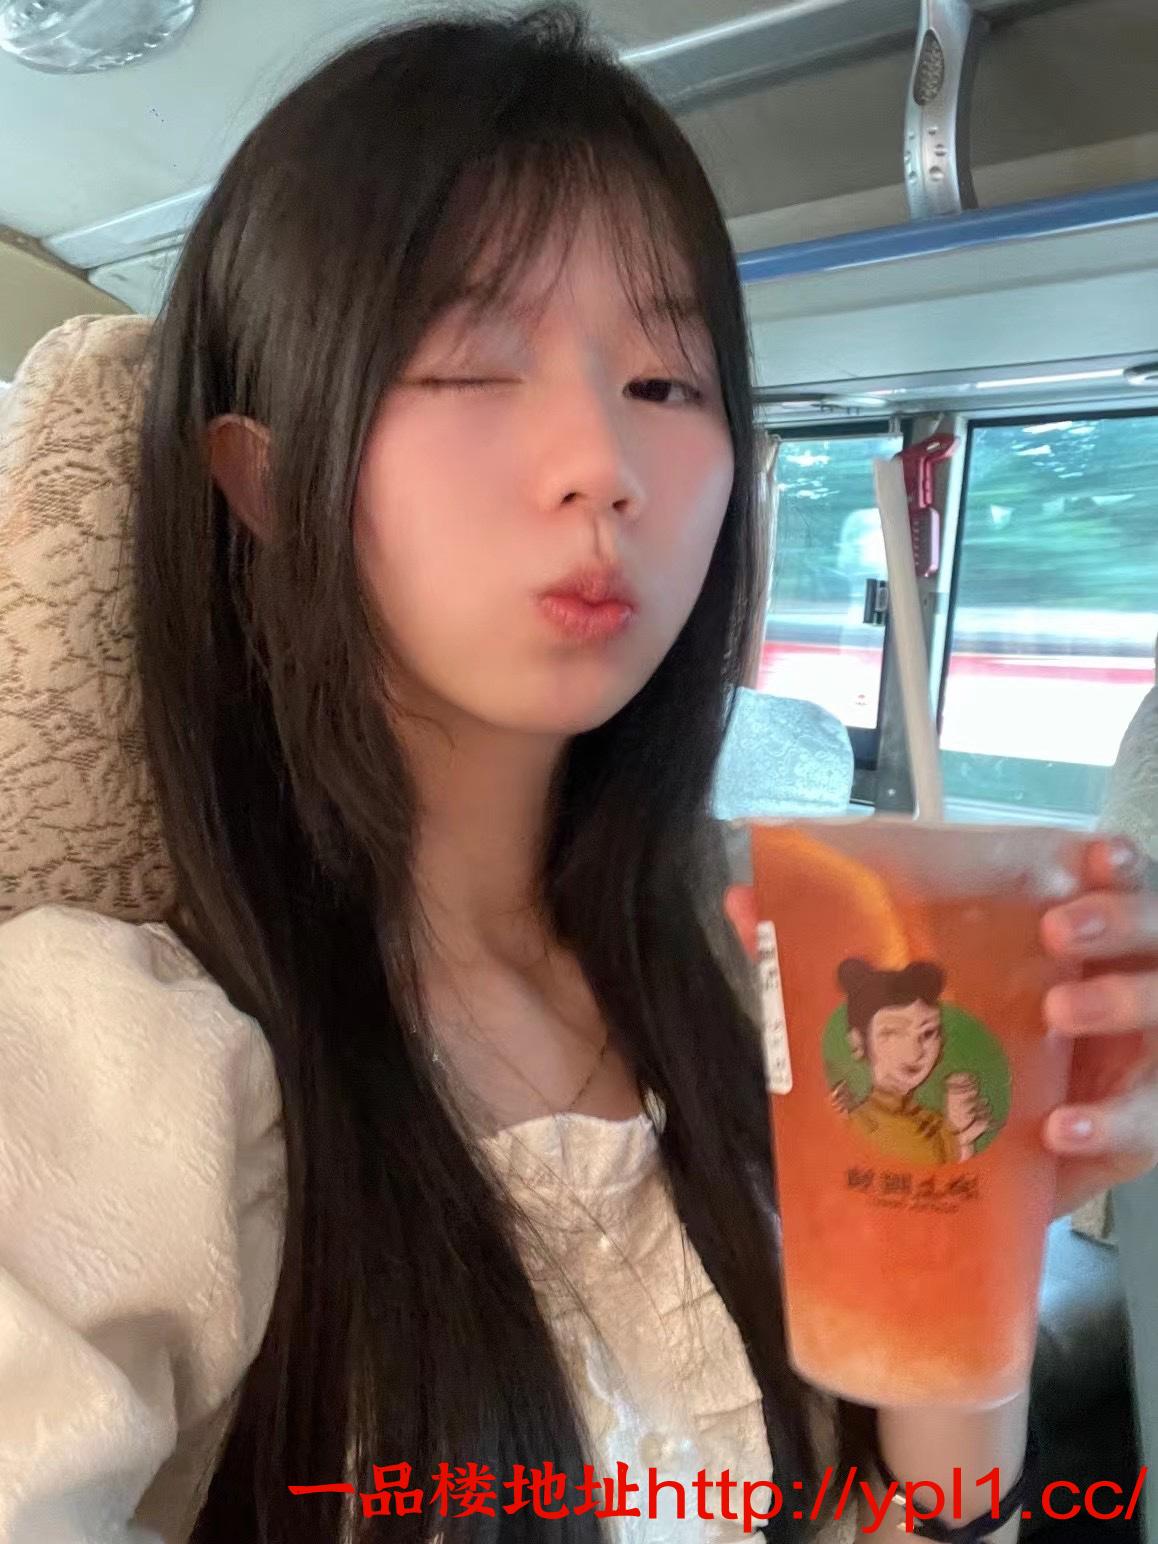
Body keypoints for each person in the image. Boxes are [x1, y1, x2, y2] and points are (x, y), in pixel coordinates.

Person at [1, 9, 1156, 1543]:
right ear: (268, 482)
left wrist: (975, 1246)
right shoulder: (108, 1069)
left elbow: (914, 1515)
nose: (602, 464)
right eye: (473, 364)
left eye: (668, 383)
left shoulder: (751, 987)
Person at [829, 960, 991, 1167]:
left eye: (928, 1033)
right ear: (859, 1042)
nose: (915, 1052)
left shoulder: (934, 1119)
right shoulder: (857, 1121)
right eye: (893, 1033)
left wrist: (963, 1133)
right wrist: (959, 1135)